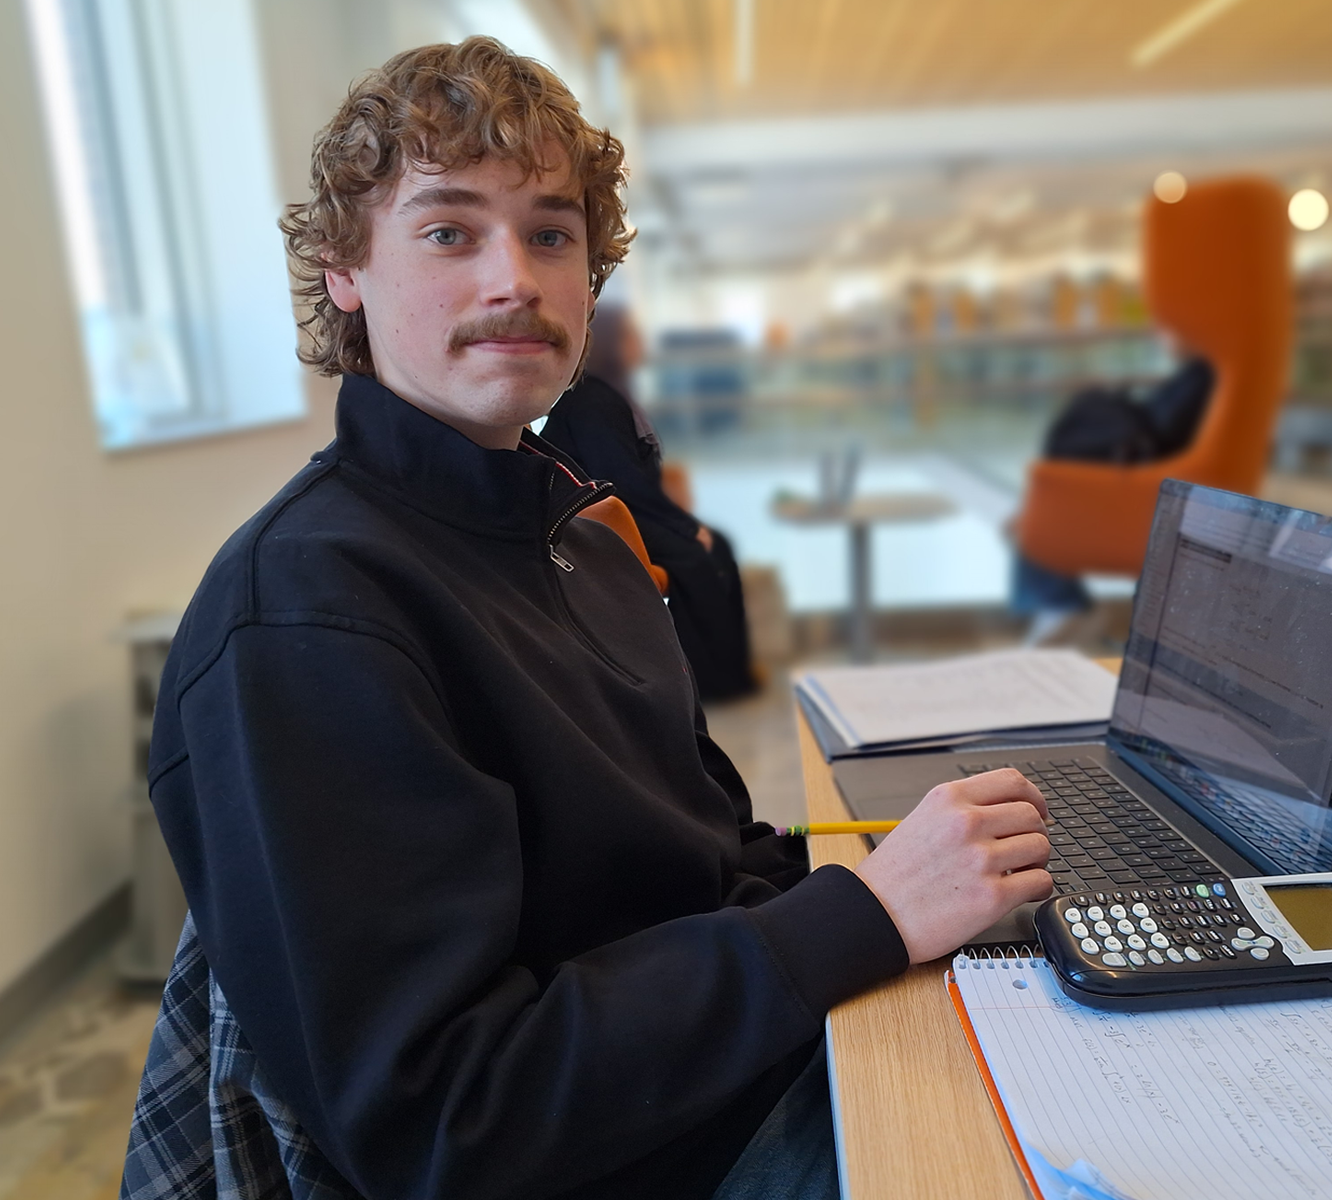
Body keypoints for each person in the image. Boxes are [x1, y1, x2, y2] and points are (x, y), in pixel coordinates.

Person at [120, 37, 1053, 1200]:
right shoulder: (309, 615)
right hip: (645, 1156)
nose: (513, 277)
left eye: (551, 233)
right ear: (345, 268)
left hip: (721, 1066)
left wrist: (908, 869)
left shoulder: (573, 531)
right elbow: (449, 1121)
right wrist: (860, 915)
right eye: (450, 231)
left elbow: (704, 863)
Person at [540, 306, 758, 700]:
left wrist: (686, 524)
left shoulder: (610, 393)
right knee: (698, 556)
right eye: (630, 336)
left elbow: (639, 483)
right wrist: (688, 529)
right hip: (603, 525)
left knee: (715, 546)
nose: (640, 344)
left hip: (627, 511)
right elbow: (624, 484)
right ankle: (710, 677)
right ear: (610, 344)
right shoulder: (593, 401)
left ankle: (728, 668)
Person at [1011, 347, 1216, 639]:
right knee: (1040, 502)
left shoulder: (1206, 375)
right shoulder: (1210, 373)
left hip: (1145, 492)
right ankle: (1055, 604)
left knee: (1043, 503)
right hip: (1147, 479)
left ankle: (1058, 604)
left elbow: (1160, 439)